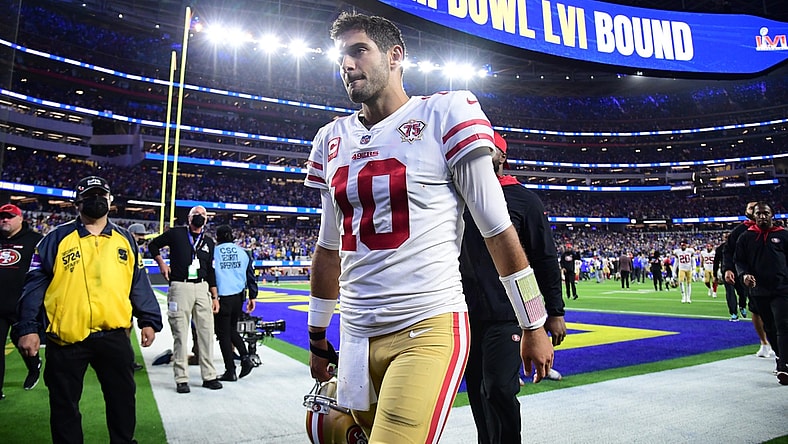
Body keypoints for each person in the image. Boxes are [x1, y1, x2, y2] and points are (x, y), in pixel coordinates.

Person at [304, 12, 553, 443]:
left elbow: (497, 229)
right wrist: (317, 336)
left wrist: (534, 324)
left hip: (426, 323)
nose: (346, 64)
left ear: (395, 56)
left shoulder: (446, 111)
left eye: (359, 50)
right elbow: (329, 250)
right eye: (341, 54)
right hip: (357, 333)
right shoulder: (331, 138)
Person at [15, 175, 163, 443]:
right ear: (77, 202)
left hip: (114, 335)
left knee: (123, 402)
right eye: (89, 196)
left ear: (110, 201)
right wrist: (27, 328)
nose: (96, 200)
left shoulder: (125, 239)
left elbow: (137, 282)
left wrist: (148, 320)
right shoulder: (55, 239)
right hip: (66, 338)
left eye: (101, 195)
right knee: (64, 407)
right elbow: (33, 286)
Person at [459, 131, 566, 443]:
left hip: (510, 312)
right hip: (468, 314)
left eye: (486, 150)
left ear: (502, 157)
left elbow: (546, 257)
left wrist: (555, 312)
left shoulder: (523, 200)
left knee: (499, 387)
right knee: (478, 392)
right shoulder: (458, 195)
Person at [148, 205, 223, 393]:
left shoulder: (208, 241)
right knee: (180, 333)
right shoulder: (176, 234)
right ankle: (181, 378)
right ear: (189, 218)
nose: (200, 217)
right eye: (196, 214)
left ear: (207, 219)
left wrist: (215, 295)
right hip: (180, 286)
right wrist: (162, 263)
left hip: (202, 287)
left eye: (203, 215)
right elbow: (153, 245)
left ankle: (209, 375)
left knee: (206, 333)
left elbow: (211, 269)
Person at [734, 202, 788, 385]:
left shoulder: (783, 234)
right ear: (754, 216)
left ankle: (783, 365)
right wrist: (744, 275)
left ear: (772, 215)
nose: (762, 216)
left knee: (783, 324)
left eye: (766, 213)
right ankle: (782, 358)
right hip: (759, 290)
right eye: (759, 214)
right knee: (770, 327)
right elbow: (739, 261)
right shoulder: (746, 237)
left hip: (782, 289)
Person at [0, 203, 43, 399]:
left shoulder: (35, 240)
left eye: (9, 216)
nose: (4, 220)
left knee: (24, 345)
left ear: (20, 219)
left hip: (22, 307)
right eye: (2, 217)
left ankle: (34, 367)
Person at [724, 201, 774, 358]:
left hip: (776, 277)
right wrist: (728, 269)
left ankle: (777, 344)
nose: (755, 211)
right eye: (751, 208)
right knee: (756, 309)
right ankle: (764, 343)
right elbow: (728, 251)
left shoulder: (776, 230)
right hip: (751, 278)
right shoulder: (741, 231)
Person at [213, 225, 258, 381]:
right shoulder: (243, 252)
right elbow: (250, 275)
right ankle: (245, 358)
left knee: (223, 334)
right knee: (232, 330)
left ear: (217, 237)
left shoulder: (214, 251)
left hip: (221, 296)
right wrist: (253, 296)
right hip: (238, 297)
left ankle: (230, 370)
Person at [713, 239, 740, 321]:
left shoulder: (720, 248)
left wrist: (715, 275)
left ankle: (734, 312)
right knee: (733, 292)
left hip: (730, 272)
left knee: (730, 292)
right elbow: (716, 262)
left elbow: (716, 263)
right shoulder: (738, 246)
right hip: (737, 272)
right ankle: (737, 310)